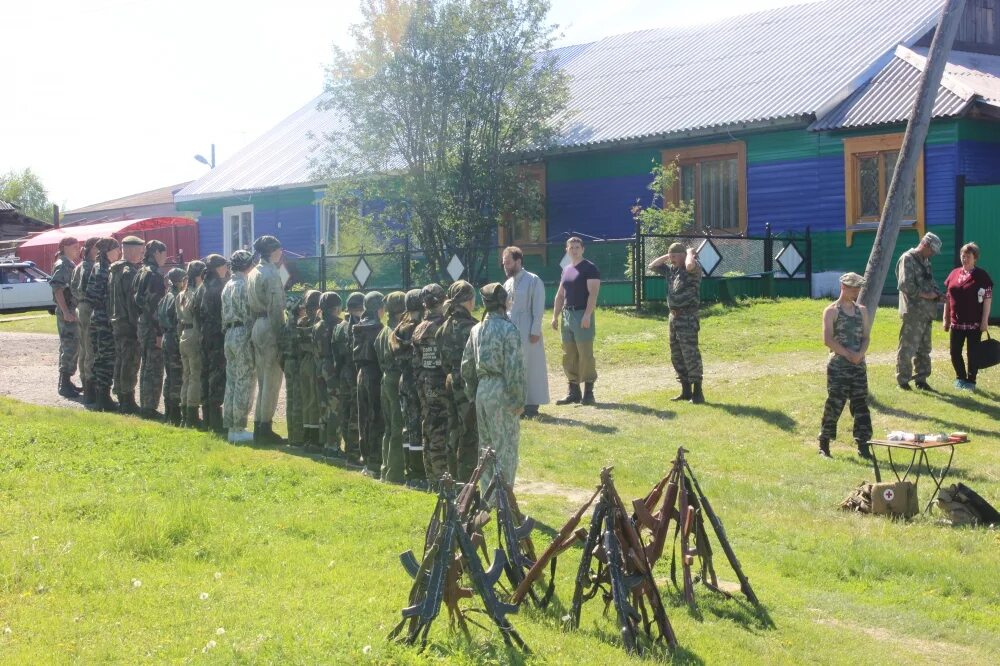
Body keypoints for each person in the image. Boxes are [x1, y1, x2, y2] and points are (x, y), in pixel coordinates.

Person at [462, 282, 526, 494]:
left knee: (486, 449)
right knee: (505, 448)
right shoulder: (509, 329)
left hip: (483, 389)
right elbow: (515, 369)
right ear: (504, 303)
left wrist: (473, 393)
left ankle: (487, 500)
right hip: (502, 389)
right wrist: (518, 400)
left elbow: (467, 366)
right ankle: (504, 501)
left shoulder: (476, 330)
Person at [818, 272, 873, 460]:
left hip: (858, 365)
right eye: (853, 287)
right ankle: (824, 443)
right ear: (843, 287)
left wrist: (860, 354)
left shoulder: (862, 311)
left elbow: (866, 337)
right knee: (835, 402)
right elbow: (827, 340)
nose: (856, 291)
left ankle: (863, 445)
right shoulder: (831, 311)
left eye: (858, 288)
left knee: (861, 404)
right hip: (839, 366)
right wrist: (849, 354)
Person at [648, 242, 705, 404]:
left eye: (674, 256)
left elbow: (688, 265)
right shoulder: (672, 270)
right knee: (676, 354)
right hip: (673, 317)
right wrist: (670, 255)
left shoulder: (694, 269)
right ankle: (685, 391)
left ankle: (698, 392)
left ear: (683, 255)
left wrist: (689, 253)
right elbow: (652, 266)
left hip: (687, 317)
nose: (671, 259)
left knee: (690, 354)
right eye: (670, 256)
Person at [437, 280, 479, 481]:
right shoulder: (474, 328)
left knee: (452, 430)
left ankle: (452, 478)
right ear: (469, 301)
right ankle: (466, 481)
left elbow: (442, 360)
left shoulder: (443, 327)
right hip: (467, 385)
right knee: (469, 433)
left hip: (449, 380)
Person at [551, 236, 600, 405]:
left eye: (577, 247)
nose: (574, 250)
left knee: (585, 353)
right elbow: (560, 294)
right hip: (567, 315)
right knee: (569, 353)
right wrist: (555, 316)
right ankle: (573, 392)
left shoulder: (590, 268)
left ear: (583, 249)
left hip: (582, 315)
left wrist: (587, 315)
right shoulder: (567, 269)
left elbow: (593, 294)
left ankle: (588, 392)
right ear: (567, 250)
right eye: (571, 247)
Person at [247, 236, 287, 445]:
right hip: (269, 326)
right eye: (279, 249)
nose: (281, 252)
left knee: (262, 378)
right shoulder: (271, 273)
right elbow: (276, 306)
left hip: (257, 325)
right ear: (272, 251)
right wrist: (281, 336)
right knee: (271, 379)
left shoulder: (253, 272)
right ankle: (265, 427)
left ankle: (258, 425)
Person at [502, 247, 548, 418]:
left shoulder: (533, 280)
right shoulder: (507, 283)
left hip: (528, 330)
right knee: (514, 367)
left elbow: (538, 307)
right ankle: (517, 403)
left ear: (518, 261)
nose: (505, 266)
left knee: (531, 367)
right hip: (511, 331)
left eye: (508, 262)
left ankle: (532, 405)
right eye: (504, 263)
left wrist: (535, 330)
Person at [412, 284, 449, 486]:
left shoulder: (419, 328)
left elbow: (416, 363)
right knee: (441, 431)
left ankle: (431, 476)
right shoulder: (444, 326)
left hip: (425, 384)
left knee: (428, 427)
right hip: (442, 385)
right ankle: (442, 476)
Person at [390, 288, 428, 488]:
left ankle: (410, 471)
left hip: (404, 381)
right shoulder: (420, 328)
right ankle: (420, 472)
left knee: (408, 426)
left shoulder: (399, 329)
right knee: (419, 426)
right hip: (418, 382)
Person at [896, 232, 943, 391]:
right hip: (913, 313)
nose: (933, 255)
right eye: (932, 251)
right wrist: (926, 295)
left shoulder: (926, 261)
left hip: (927, 312)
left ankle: (921, 380)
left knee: (924, 349)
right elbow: (904, 285)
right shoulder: (907, 258)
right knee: (908, 348)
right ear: (925, 245)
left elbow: (930, 281)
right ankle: (903, 381)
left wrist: (938, 295)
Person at [944, 242, 993, 391]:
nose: (964, 259)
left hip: (974, 324)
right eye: (962, 256)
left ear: (975, 258)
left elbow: (987, 299)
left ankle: (971, 381)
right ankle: (960, 377)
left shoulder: (982, 276)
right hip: (956, 322)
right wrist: (946, 319)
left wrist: (984, 321)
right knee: (954, 352)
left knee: (973, 353)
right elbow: (948, 297)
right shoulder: (953, 274)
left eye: (968, 256)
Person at [222, 250, 256, 443]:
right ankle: (239, 427)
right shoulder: (244, 284)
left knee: (232, 380)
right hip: (243, 332)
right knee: (245, 380)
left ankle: (230, 426)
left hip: (229, 333)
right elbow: (248, 313)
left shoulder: (228, 285)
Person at [84, 237, 121, 412]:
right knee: (106, 358)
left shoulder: (99, 267)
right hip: (103, 321)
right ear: (108, 251)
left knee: (101, 358)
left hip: (98, 318)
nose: (119, 252)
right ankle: (103, 399)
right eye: (116, 249)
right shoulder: (103, 269)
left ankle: (100, 397)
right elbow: (94, 295)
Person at [109, 236, 145, 414]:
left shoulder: (114, 270)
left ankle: (122, 395)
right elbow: (132, 303)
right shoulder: (129, 272)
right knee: (130, 362)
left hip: (116, 321)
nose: (141, 255)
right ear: (130, 251)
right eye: (139, 251)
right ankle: (127, 399)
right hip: (128, 323)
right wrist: (136, 325)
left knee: (121, 360)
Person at [134, 240, 168, 420]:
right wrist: (159, 332)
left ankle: (145, 404)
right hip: (152, 325)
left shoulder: (140, 271)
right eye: (164, 253)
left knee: (146, 364)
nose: (165, 258)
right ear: (156, 253)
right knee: (154, 367)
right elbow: (156, 306)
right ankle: (149, 407)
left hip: (142, 323)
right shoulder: (154, 275)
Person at [353, 291, 386, 476]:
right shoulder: (379, 328)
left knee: (363, 417)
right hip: (374, 375)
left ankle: (365, 459)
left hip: (361, 373)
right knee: (376, 418)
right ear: (379, 308)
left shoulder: (357, 327)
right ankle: (375, 461)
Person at [375, 291, 406, 483]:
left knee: (388, 428)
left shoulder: (382, 332)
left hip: (385, 379)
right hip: (396, 380)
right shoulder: (398, 331)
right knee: (397, 426)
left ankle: (385, 469)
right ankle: (395, 473)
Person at [199, 253, 230, 435]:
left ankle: (207, 419)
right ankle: (216, 422)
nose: (226, 269)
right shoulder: (219, 286)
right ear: (218, 267)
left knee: (205, 375)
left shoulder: (202, 286)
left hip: (204, 335)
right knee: (217, 378)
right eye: (224, 266)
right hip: (217, 336)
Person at [333, 292, 365, 465]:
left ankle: (348, 449)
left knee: (345, 410)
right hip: (354, 371)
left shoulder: (340, 326)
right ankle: (354, 452)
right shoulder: (359, 326)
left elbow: (335, 351)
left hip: (343, 370)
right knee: (356, 411)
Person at [50, 236, 82, 399]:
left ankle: (67, 381)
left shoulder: (67, 263)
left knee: (70, 346)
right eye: (74, 246)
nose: (77, 249)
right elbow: (57, 289)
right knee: (70, 345)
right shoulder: (63, 264)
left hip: (69, 311)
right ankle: (64, 383)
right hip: (67, 312)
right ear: (64, 247)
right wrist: (66, 312)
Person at [314, 292, 343, 459]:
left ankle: (324, 442)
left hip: (320, 366)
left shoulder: (318, 325)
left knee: (323, 405)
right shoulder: (338, 324)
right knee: (335, 407)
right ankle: (333, 446)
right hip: (332, 367)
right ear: (336, 307)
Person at [70, 237, 99, 405]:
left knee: (83, 348)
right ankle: (90, 387)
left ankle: (86, 382)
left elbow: (73, 288)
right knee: (90, 349)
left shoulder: (79, 267)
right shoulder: (91, 267)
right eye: (97, 248)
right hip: (89, 308)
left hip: (81, 307)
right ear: (89, 250)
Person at [178, 260, 206, 429]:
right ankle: (192, 413)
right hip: (194, 334)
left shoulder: (182, 294)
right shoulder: (196, 293)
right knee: (195, 376)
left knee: (187, 375)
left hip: (183, 334)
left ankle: (184, 412)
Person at [159, 267, 187, 426]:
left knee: (169, 376)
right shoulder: (177, 297)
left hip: (166, 337)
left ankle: (168, 411)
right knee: (177, 377)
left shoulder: (166, 297)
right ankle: (175, 414)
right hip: (175, 338)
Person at [298, 290, 322, 451]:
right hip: (314, 361)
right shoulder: (317, 323)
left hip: (304, 362)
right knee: (315, 400)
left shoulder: (302, 322)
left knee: (306, 400)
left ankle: (307, 435)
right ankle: (314, 439)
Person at [281, 296, 306, 448]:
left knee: (290, 400)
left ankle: (292, 435)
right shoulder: (298, 326)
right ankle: (298, 437)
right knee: (298, 401)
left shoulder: (285, 326)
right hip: (296, 363)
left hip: (287, 362)